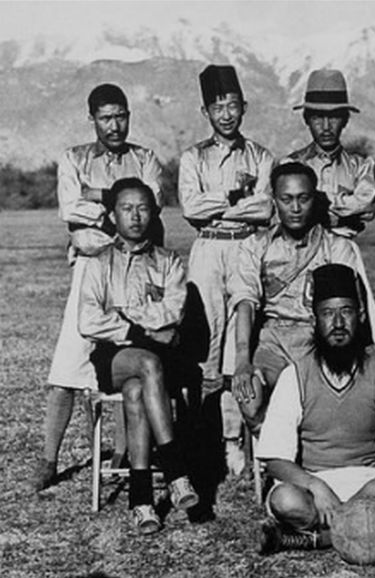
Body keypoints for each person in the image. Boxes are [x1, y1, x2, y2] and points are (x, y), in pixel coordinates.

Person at [255, 263, 375, 554]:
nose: (338, 323)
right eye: (328, 313)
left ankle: (315, 539)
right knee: (285, 501)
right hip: (316, 487)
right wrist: (316, 486)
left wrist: (373, 490)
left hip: (370, 483)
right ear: (315, 320)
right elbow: (275, 460)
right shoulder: (296, 375)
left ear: (361, 316)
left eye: (347, 312)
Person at [35, 84, 164, 491]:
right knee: (66, 370)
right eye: (106, 117)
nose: (115, 125)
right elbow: (69, 210)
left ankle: (126, 453)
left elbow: (149, 204)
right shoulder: (74, 158)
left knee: (132, 358)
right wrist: (116, 207)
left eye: (121, 115)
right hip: (90, 272)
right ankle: (48, 458)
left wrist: (99, 203)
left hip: (136, 270)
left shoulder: (145, 158)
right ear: (92, 118)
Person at [78, 178, 198, 534]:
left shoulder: (169, 261)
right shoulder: (98, 263)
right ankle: (176, 471)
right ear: (112, 216)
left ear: (155, 213)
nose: (135, 216)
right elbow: (88, 321)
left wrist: (123, 314)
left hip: (155, 364)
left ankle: (142, 500)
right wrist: (137, 329)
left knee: (137, 389)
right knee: (147, 363)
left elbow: (174, 312)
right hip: (111, 359)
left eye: (143, 208)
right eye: (126, 208)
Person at [230, 162, 375, 433]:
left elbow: (346, 312)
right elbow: (245, 301)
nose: (296, 208)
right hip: (272, 340)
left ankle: (313, 455)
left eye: (304, 198)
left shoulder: (336, 247)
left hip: (319, 338)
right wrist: (242, 359)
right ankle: (277, 456)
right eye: (286, 199)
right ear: (274, 200)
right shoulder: (255, 246)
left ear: (315, 198)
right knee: (250, 400)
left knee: (325, 401)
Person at [178, 64, 274, 473]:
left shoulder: (261, 156)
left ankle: (236, 441)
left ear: (244, 107)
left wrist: (219, 202)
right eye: (218, 107)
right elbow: (190, 207)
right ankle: (204, 439)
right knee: (205, 346)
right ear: (205, 112)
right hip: (207, 250)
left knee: (243, 344)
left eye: (233, 105)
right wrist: (234, 196)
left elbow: (265, 206)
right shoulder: (193, 156)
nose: (226, 114)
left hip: (247, 247)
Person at [285, 69, 375, 238]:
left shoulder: (360, 166)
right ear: (306, 119)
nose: (326, 127)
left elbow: (366, 204)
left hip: (344, 252)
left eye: (333, 117)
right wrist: (346, 212)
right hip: (303, 253)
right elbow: (286, 214)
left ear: (345, 120)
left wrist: (315, 200)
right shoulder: (291, 166)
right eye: (318, 118)